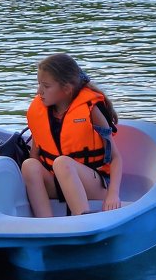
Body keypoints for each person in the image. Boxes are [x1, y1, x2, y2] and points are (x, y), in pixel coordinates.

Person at [21, 54, 122, 218]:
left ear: (66, 89)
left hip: (94, 184)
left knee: (62, 163)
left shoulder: (92, 111)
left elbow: (116, 158)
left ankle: (82, 220)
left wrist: (113, 194)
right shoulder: (41, 113)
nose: (39, 91)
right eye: (39, 84)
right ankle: (46, 225)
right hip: (59, 183)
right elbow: (35, 155)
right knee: (29, 165)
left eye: (45, 86)